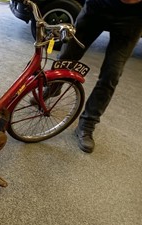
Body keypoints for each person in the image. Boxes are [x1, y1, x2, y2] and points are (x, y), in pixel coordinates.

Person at [58, 0, 142, 153]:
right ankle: (52, 87)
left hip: (133, 18)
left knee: (112, 73)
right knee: (67, 55)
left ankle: (87, 125)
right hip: (98, 6)